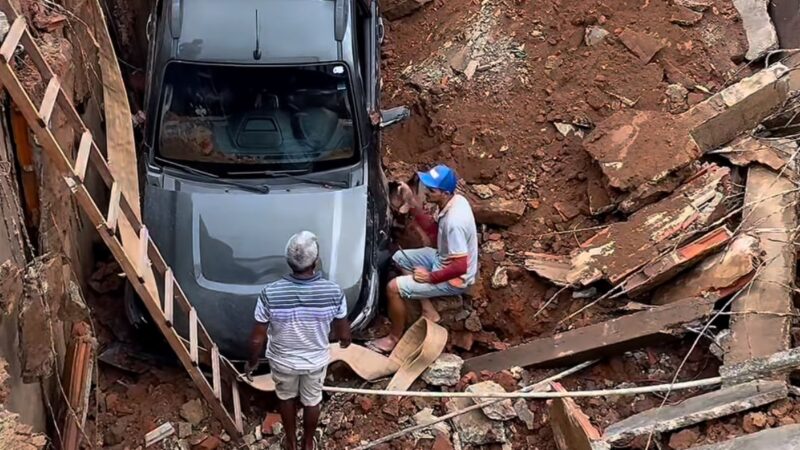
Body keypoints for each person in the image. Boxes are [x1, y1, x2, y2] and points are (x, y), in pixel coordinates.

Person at [246, 231, 351, 450]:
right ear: (316, 260)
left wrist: (253, 361)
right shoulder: (333, 292)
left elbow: (258, 338)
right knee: (312, 401)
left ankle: (291, 443)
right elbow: (343, 333)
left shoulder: (270, 293)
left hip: (283, 361)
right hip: (315, 361)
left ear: (288, 261)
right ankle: (307, 444)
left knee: (286, 398)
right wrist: (343, 342)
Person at [369, 164, 478, 353]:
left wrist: (429, 277)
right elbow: (434, 231)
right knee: (398, 258)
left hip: (455, 278)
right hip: (442, 257)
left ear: (444, 193)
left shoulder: (454, 222)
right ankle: (427, 307)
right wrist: (411, 202)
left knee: (392, 288)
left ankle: (394, 337)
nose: (426, 192)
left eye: (431, 190)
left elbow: (460, 266)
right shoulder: (455, 201)